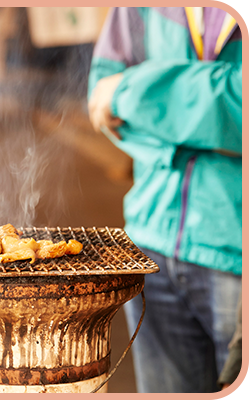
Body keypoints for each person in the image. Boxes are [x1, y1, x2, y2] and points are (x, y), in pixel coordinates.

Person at [87, 7, 241, 393]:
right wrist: (210, 119)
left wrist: (131, 91)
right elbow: (99, 99)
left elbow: (115, 94)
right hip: (151, 240)